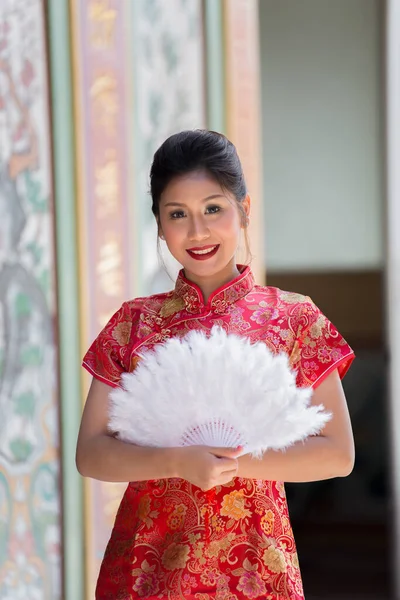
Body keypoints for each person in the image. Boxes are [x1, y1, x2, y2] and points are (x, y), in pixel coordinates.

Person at [76, 129, 355, 600]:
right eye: (177, 215)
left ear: (244, 210)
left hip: (255, 566)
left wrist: (236, 462)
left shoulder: (293, 317)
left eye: (213, 208)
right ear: (160, 227)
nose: (198, 231)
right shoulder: (133, 323)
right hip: (148, 568)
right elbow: (90, 454)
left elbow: (338, 453)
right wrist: (176, 461)